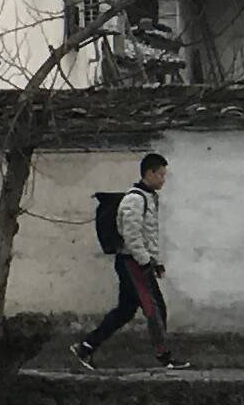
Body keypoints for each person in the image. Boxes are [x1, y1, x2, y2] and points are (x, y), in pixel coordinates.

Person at [74, 151, 179, 368]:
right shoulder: (135, 199)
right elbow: (132, 235)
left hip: (135, 262)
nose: (163, 179)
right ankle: (164, 357)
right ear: (149, 173)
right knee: (154, 309)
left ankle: (85, 347)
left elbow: (149, 235)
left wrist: (156, 261)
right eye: (161, 174)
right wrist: (145, 261)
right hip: (133, 263)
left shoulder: (147, 197)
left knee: (125, 311)